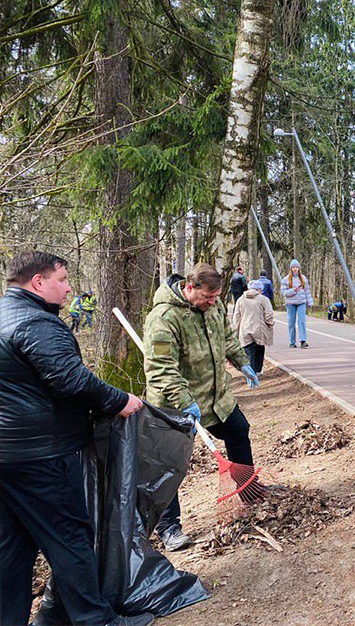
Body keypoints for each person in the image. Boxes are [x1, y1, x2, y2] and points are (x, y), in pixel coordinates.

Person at [0, 251, 149, 626]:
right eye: (62, 280)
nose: (69, 288)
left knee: (12, 547)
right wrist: (120, 400)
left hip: (7, 455)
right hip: (43, 454)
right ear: (38, 282)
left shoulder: (4, 315)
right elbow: (70, 380)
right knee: (69, 538)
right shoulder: (37, 323)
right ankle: (96, 620)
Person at [143, 264, 260, 551]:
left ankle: (250, 492)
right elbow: (160, 368)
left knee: (238, 430)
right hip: (175, 403)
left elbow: (227, 338)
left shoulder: (214, 305)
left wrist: (241, 361)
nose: (212, 302)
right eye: (207, 297)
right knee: (171, 464)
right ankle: (169, 527)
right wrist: (184, 400)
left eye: (216, 297)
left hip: (216, 397)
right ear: (189, 288)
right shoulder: (164, 317)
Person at [232, 280, 274, 375]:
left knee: (248, 352)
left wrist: (236, 331)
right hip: (260, 330)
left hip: (245, 330)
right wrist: (270, 324)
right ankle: (258, 371)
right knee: (260, 350)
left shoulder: (240, 299)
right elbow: (269, 314)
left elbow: (236, 317)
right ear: (260, 290)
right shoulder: (264, 299)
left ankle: (250, 373)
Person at [282, 259, 312, 348]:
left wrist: (309, 302)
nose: (295, 269)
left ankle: (303, 340)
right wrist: (292, 291)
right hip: (290, 303)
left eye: (296, 267)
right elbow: (284, 293)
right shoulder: (286, 279)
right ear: (291, 269)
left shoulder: (303, 279)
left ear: (299, 268)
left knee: (302, 321)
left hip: (301, 302)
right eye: (293, 267)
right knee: (291, 322)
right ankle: (292, 341)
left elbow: (307, 291)